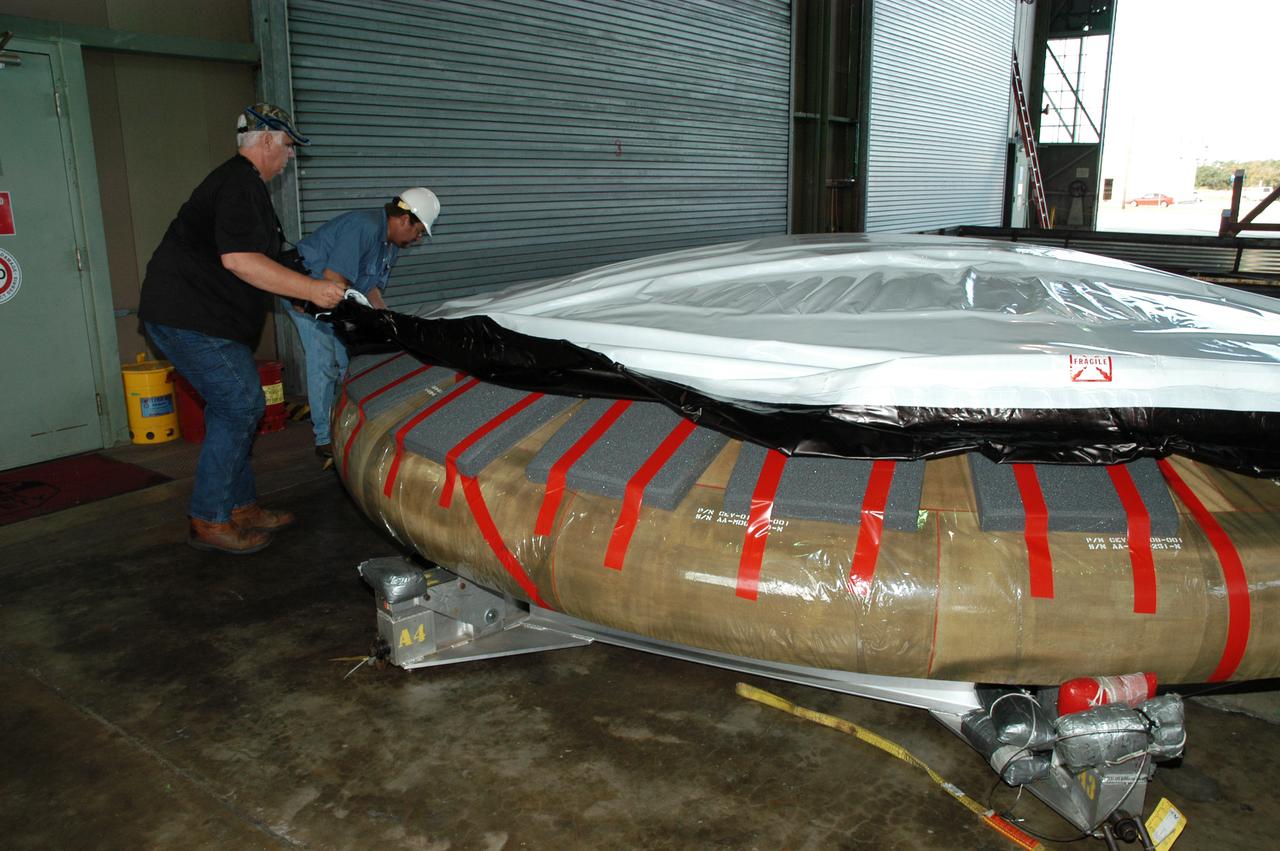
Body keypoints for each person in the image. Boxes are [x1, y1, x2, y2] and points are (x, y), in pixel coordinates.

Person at [138, 103, 346, 555]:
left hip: (200, 318)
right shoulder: (238, 184)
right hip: (188, 319)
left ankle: (240, 505)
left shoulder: (244, 185)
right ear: (267, 139)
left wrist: (305, 282)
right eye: (288, 146)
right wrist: (311, 290)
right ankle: (210, 518)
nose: (290, 156)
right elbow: (240, 260)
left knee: (234, 406)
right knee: (240, 405)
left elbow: (266, 257)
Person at [286, 187, 440, 461]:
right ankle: (324, 438)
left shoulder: (389, 245)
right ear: (405, 220)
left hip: (334, 295)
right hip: (307, 293)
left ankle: (348, 425)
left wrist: (390, 324)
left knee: (350, 362)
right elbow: (333, 280)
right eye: (418, 232)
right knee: (325, 362)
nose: (418, 239)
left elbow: (370, 290)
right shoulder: (364, 227)